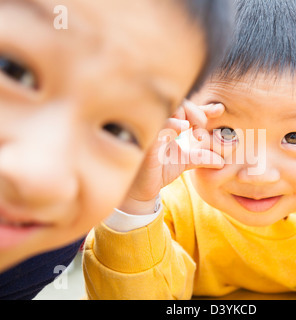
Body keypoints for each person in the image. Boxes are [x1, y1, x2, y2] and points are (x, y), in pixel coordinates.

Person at [83, 0, 296, 299]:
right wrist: (134, 208)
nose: (258, 173)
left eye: (293, 137)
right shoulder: (165, 202)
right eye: (227, 131)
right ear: (179, 110)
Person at [0, 0, 234, 298]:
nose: (42, 181)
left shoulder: (38, 245)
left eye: (118, 131)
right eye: (12, 71)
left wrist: (137, 205)